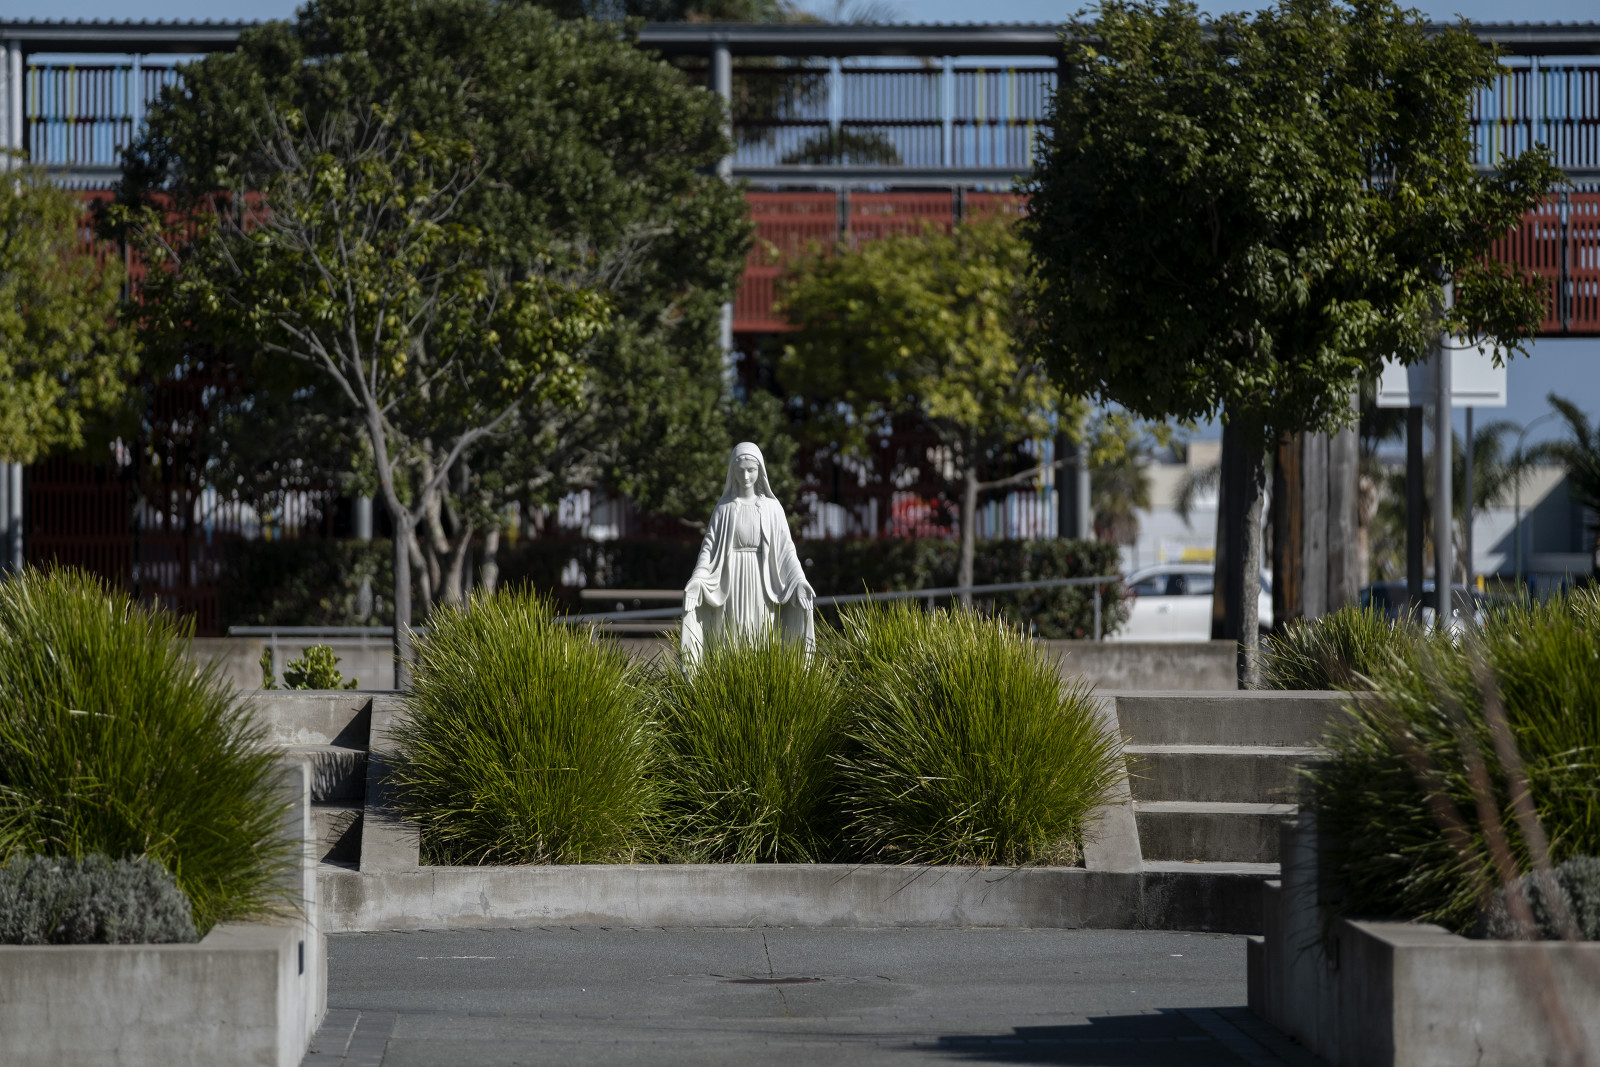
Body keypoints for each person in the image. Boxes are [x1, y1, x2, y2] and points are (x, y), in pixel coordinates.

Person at [681, 442, 815, 665]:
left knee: (763, 630)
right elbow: (709, 549)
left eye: (751, 470)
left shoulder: (772, 508)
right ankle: (730, 681)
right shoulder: (724, 508)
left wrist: (799, 580)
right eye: (740, 470)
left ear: (760, 471)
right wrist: (697, 579)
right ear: (732, 472)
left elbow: (786, 550)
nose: (745, 476)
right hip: (731, 580)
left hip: (762, 581)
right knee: (732, 631)